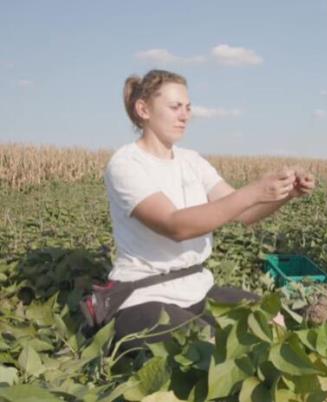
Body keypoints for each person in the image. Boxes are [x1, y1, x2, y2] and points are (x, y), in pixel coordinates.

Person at [105, 69, 315, 351]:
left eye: (188, 107)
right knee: (209, 348)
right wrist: (254, 190)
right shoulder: (126, 164)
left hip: (197, 287)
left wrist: (286, 193)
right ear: (143, 109)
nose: (185, 115)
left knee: (273, 321)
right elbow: (175, 225)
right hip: (144, 295)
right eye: (175, 107)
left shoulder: (192, 161)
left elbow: (246, 213)